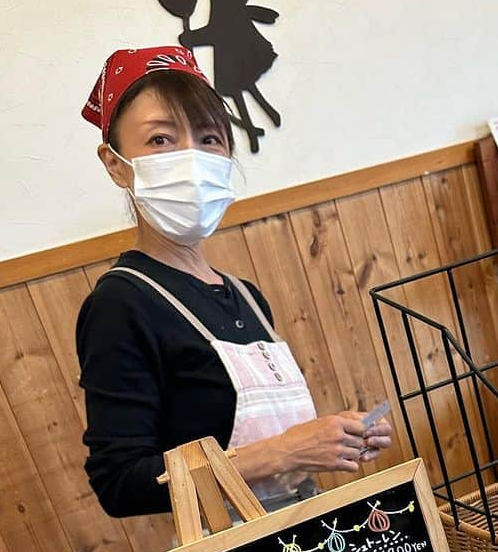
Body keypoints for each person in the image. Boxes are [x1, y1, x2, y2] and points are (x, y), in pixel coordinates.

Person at [76, 46, 391, 518]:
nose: (191, 158)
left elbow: (269, 439)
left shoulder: (245, 295)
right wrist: (284, 451)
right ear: (116, 163)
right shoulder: (121, 303)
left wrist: (335, 439)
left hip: (307, 538)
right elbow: (120, 485)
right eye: (161, 140)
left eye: (208, 138)